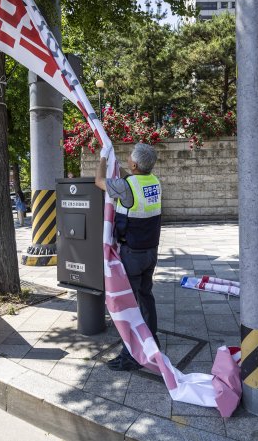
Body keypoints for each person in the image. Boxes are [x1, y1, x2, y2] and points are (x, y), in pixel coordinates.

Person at [95, 143, 162, 371]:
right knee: (146, 297)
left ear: (134, 164)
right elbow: (129, 179)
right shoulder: (153, 181)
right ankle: (153, 341)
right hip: (151, 251)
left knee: (130, 307)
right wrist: (117, 162)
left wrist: (103, 160)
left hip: (132, 253)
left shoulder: (126, 186)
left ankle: (131, 356)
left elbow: (99, 182)